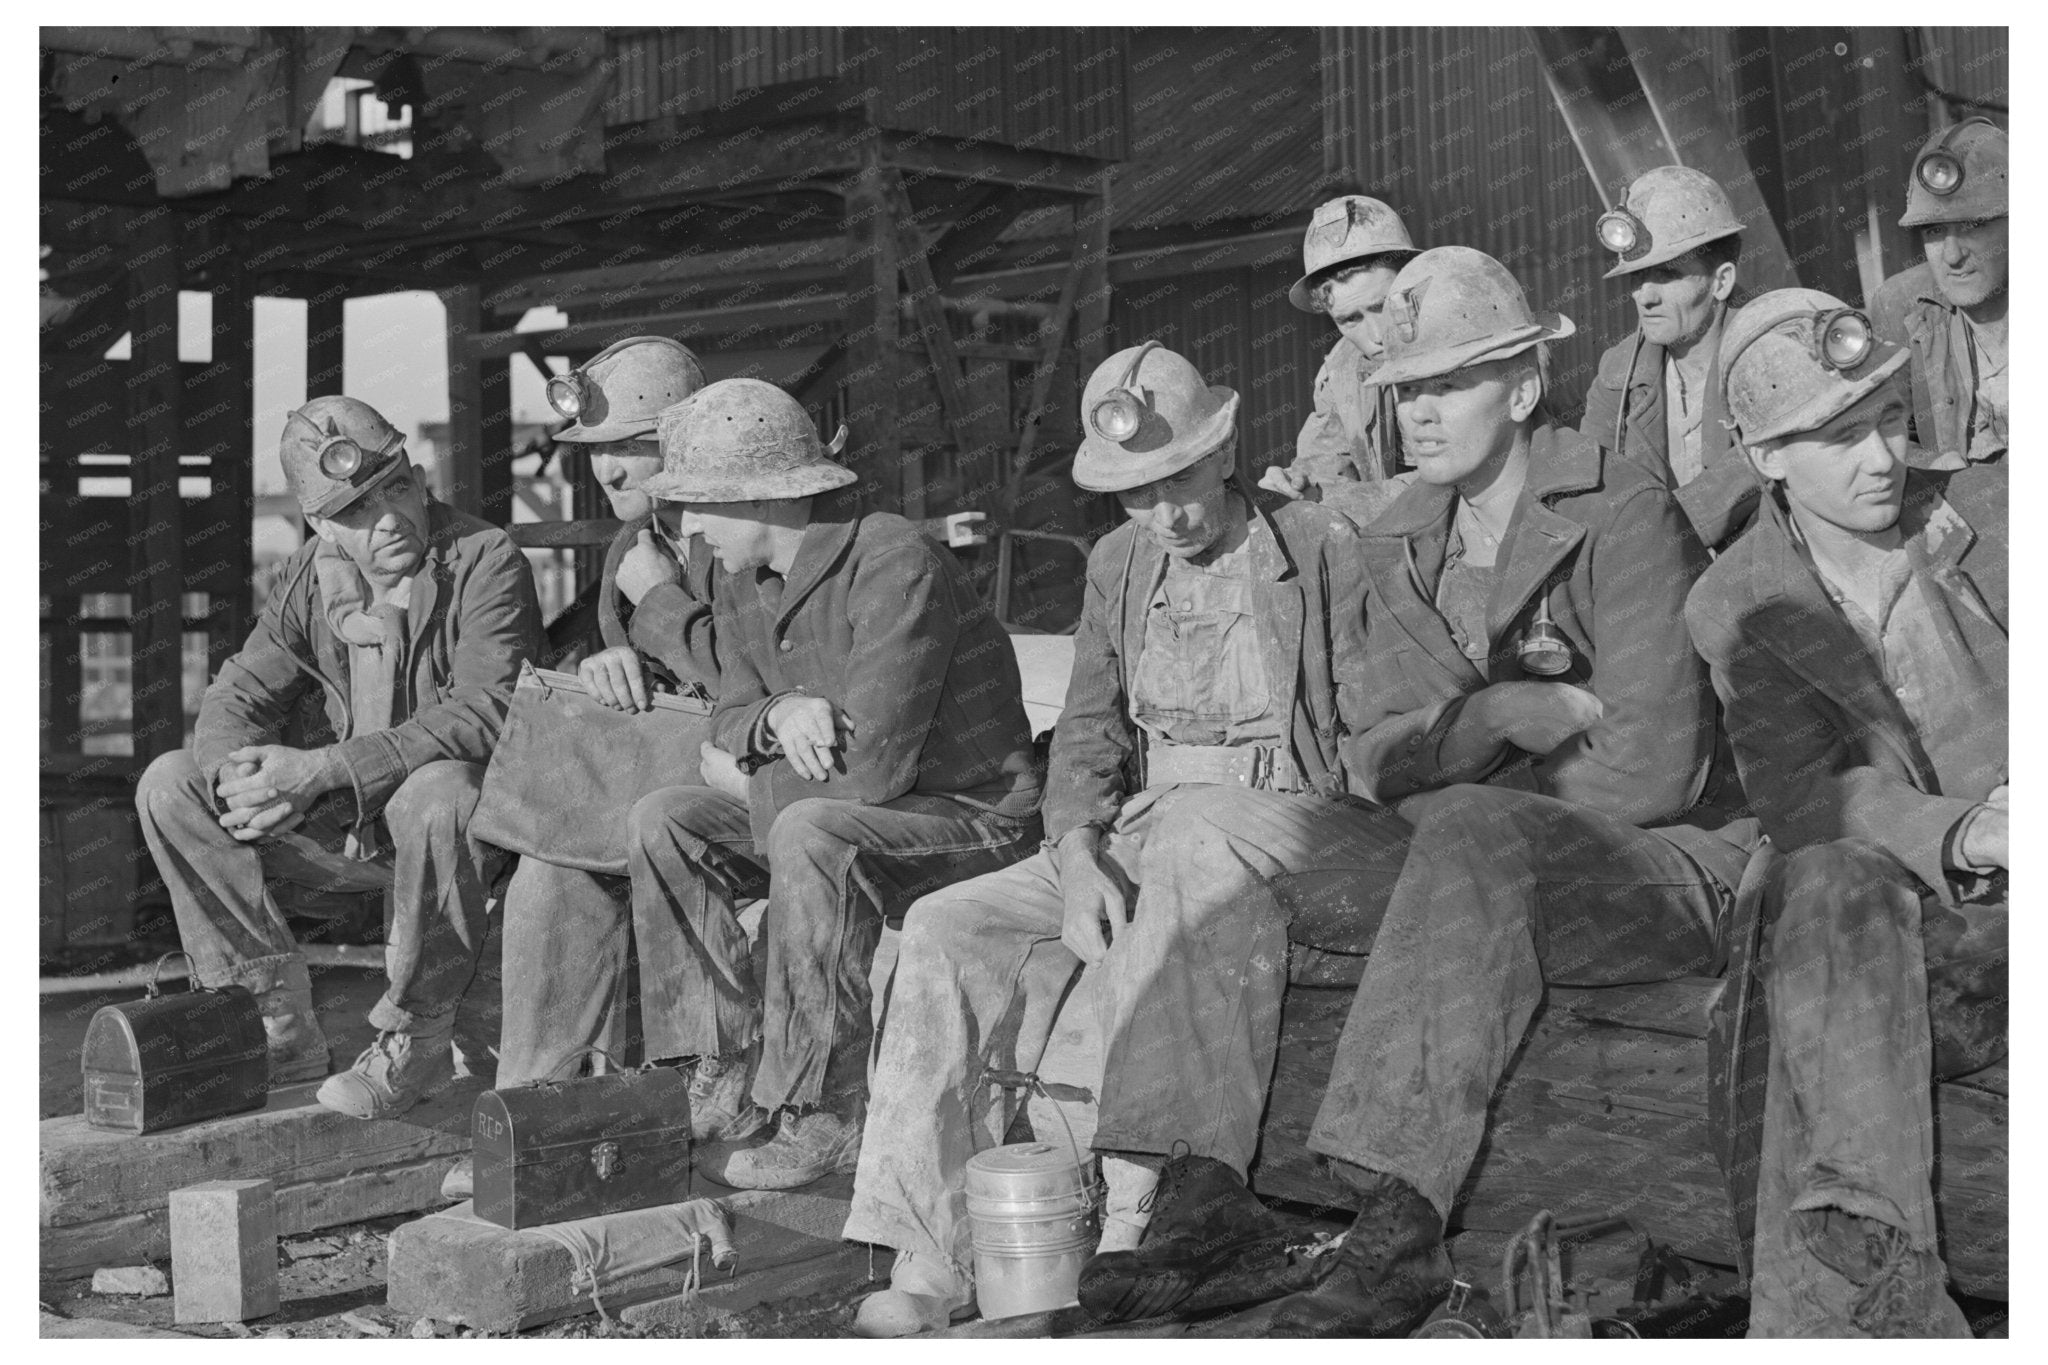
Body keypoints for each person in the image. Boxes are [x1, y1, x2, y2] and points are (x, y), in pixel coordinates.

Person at [1160, 246, 1760, 1337]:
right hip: (1469, 857)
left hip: (1663, 870)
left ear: (1522, 389)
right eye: (1402, 392)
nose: (1416, 414)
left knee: (1474, 827)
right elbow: (1376, 758)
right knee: (1206, 827)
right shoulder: (1399, 537)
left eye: (1445, 385)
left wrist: (1468, 783)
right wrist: (1481, 722)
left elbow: (1653, 771)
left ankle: (1394, 1224)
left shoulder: (1617, 505)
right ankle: (1191, 1197)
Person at [844, 340, 1385, 1337]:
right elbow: (1088, 731)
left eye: (1177, 482)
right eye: (1135, 497)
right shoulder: (1119, 562)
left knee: (1180, 870)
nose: (1164, 515)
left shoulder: (1315, 543)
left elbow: (1374, 722)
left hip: (1290, 820)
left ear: (1219, 453)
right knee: (943, 925)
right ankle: (927, 1250)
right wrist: (1076, 847)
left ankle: (1133, 1228)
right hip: (1148, 822)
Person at [623, 377, 1042, 1192]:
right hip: (857, 811)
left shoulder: (893, 557)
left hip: (971, 817)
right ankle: (719, 1066)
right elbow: (729, 712)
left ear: (760, 497)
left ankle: (824, 1111)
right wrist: (777, 713)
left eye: (701, 507)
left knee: (810, 831)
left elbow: (875, 769)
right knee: (664, 817)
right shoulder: (743, 579)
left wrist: (749, 784)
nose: (692, 528)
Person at [1686, 288, 2006, 1337]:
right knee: (1815, 875)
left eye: (1883, 417)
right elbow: (1801, 796)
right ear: (1765, 456)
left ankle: (1849, 1310)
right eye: (1835, 436)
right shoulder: (1737, 601)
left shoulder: (1990, 514)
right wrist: (1959, 832)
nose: (1877, 457)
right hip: (1916, 925)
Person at [134, 395, 542, 1119]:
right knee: (170, 783)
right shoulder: (308, 578)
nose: (386, 519)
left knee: (438, 789)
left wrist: (322, 769)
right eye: (355, 510)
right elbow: (237, 694)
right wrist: (240, 777)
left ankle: (415, 1038)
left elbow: (490, 711)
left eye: (395, 488)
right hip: (346, 828)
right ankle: (273, 1026)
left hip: (463, 843)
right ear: (321, 525)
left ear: (419, 480)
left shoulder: (485, 558)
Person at [443, 335, 714, 1202]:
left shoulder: (742, 530)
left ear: (684, 441)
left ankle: (678, 1109)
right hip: (666, 776)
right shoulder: (635, 545)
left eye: (629, 446)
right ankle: (539, 1121)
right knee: (548, 875)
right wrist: (608, 663)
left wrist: (660, 603)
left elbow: (754, 685)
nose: (607, 469)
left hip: (755, 785)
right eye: (597, 452)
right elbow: (638, 666)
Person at [1579, 165, 1761, 549]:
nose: (1643, 296)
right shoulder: (1618, 373)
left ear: (1721, 280)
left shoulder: (1769, 352)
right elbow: (1589, 497)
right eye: (1637, 277)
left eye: (1666, 275)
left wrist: (1659, 532)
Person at [1259, 195, 1422, 527]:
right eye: (1350, 320)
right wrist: (1300, 484)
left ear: (1413, 281)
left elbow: (1458, 483)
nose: (1376, 335)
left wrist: (1345, 499)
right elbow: (1326, 459)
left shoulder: (1468, 339)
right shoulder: (1344, 369)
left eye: (1382, 306)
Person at [1870, 117, 2008, 470]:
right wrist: (1928, 466)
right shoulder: (1904, 305)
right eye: (1933, 231)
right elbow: (1876, 434)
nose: (1952, 255)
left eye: (1973, 225)